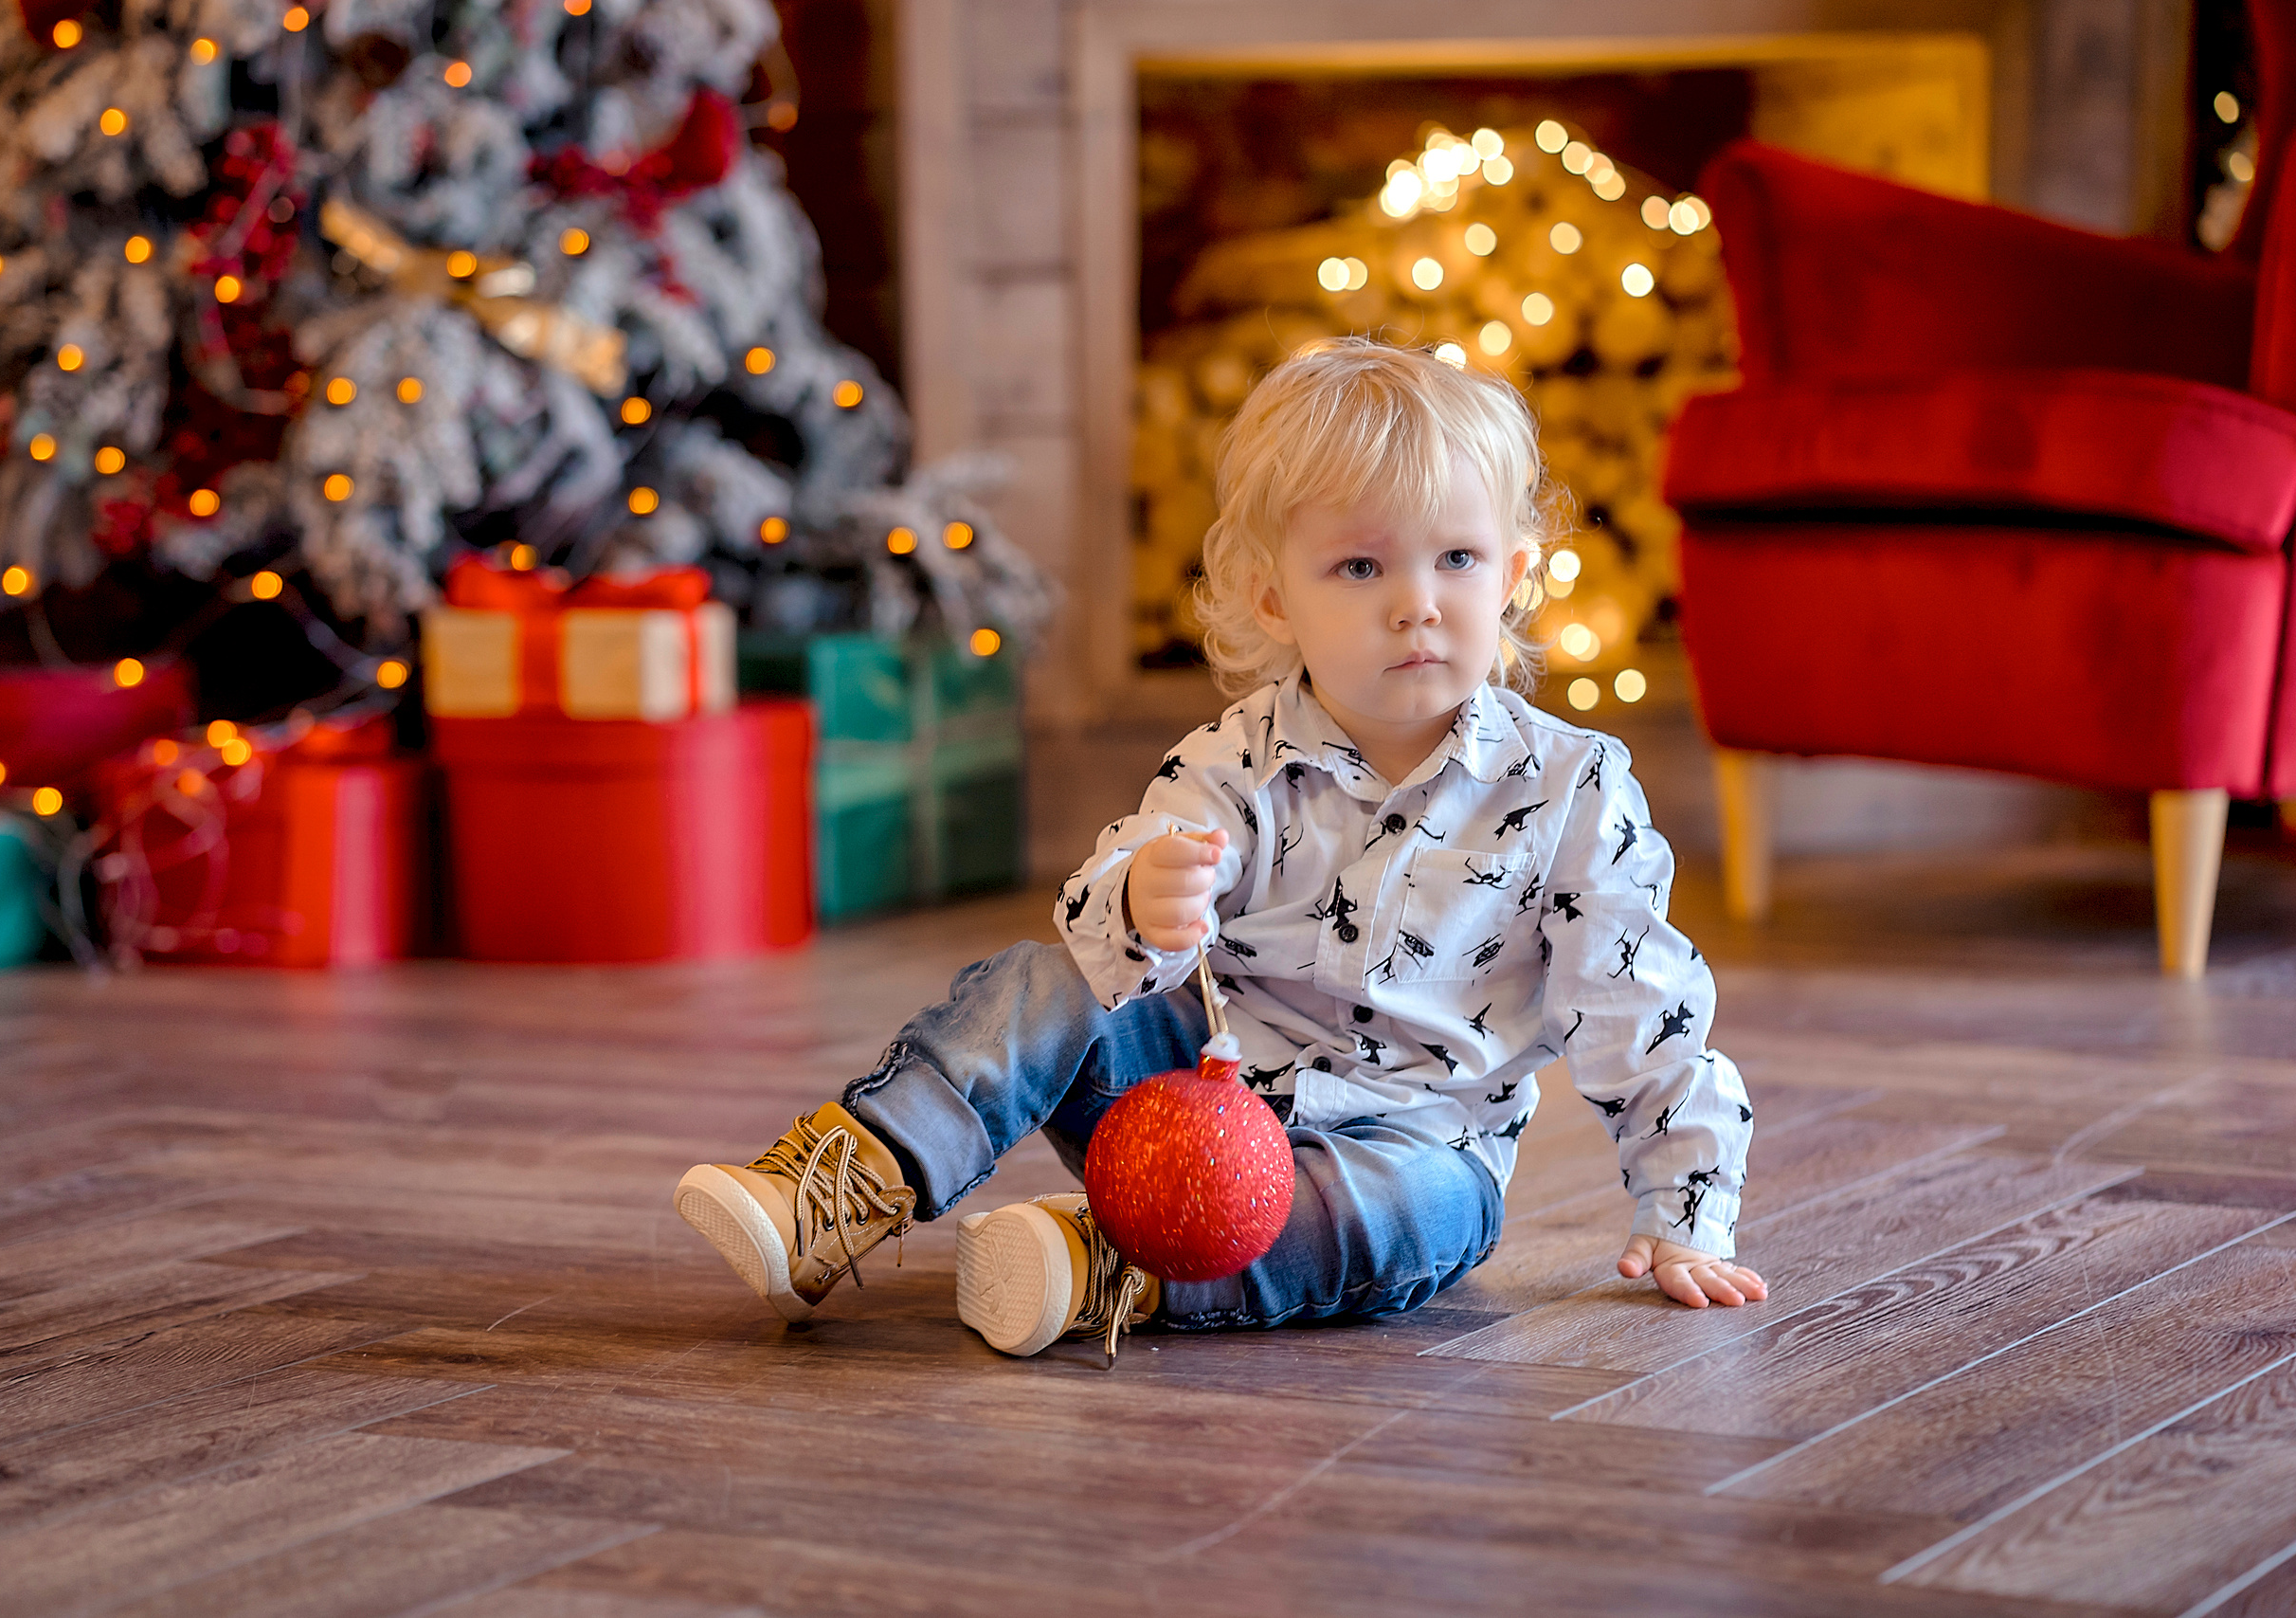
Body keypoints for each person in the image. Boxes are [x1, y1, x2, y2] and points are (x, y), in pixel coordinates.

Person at [676, 337, 1764, 1362]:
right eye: (1358, 568)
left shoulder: (1569, 790)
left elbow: (1640, 1006)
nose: (1416, 606)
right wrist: (1144, 901)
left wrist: (1687, 1211)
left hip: (1408, 1143)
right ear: (1270, 597)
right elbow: (1118, 902)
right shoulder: (1234, 760)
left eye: (1457, 559)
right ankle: (841, 1187)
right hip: (1187, 1099)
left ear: (1514, 573)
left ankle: (1104, 1263)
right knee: (1043, 979)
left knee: (1419, 1216)